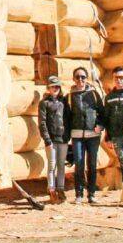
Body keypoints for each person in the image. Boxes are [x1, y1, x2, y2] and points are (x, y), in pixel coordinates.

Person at [69, 66, 105, 204]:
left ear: (86, 79)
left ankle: (91, 194)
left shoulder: (94, 94)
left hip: (93, 135)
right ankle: (79, 193)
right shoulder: (70, 96)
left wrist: (100, 125)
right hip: (77, 134)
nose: (80, 80)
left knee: (92, 164)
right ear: (73, 79)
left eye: (83, 77)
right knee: (78, 163)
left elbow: (102, 112)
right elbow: (67, 116)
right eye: (77, 77)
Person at [38, 75, 71, 204]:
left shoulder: (64, 102)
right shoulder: (44, 103)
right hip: (51, 139)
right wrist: (47, 139)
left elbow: (68, 119)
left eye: (57, 86)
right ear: (48, 88)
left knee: (61, 165)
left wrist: (67, 136)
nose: (55, 89)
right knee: (52, 165)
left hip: (63, 138)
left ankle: (61, 189)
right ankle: (51, 189)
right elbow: (42, 122)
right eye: (53, 86)